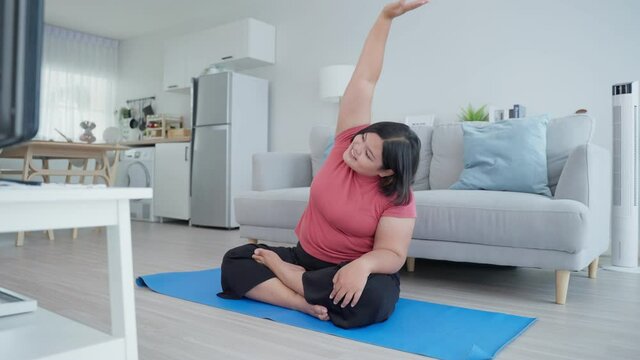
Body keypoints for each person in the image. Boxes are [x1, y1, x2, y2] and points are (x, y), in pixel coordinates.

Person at [218, 0, 428, 329]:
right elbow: (364, 82)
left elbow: (392, 254)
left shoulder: (398, 198)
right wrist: (385, 17)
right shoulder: (347, 141)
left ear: (387, 171)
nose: (356, 148)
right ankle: (301, 300)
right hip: (305, 259)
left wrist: (362, 267)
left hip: (347, 268)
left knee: (374, 300)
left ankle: (287, 279)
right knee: (235, 260)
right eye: (361, 139)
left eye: (368, 155)